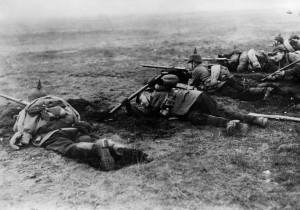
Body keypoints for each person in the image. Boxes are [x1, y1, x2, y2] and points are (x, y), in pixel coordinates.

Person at [10, 92, 150, 171]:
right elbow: (76, 116)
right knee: (86, 140)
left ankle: (97, 148)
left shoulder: (29, 110)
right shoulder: (59, 102)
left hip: (52, 135)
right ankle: (125, 150)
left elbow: (21, 130)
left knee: (69, 147)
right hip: (75, 128)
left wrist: (18, 135)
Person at [123, 74, 268, 136]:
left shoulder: (157, 94)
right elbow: (144, 112)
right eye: (140, 101)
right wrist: (129, 106)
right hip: (187, 106)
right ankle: (231, 124)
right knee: (198, 118)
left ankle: (254, 119)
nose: (142, 101)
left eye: (141, 99)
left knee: (220, 111)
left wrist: (130, 107)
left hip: (195, 98)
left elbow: (146, 112)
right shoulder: (156, 101)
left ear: (146, 93)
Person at [187, 52, 275, 101]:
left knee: (239, 95)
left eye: (189, 63)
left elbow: (191, 85)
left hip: (219, 86)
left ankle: (263, 91)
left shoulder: (196, 70)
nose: (188, 66)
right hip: (223, 81)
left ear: (194, 63)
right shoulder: (203, 67)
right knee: (241, 88)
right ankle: (264, 88)